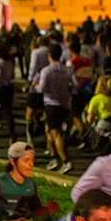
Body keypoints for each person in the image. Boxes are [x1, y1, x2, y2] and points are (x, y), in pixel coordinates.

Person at [37, 44, 75, 173]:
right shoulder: (67, 70)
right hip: (64, 104)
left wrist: (35, 85)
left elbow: (41, 89)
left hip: (51, 103)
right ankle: (54, 158)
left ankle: (66, 161)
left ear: (49, 55)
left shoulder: (46, 71)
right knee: (49, 130)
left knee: (56, 133)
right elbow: (75, 85)